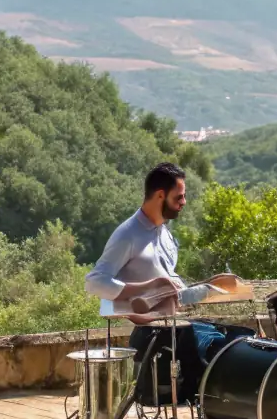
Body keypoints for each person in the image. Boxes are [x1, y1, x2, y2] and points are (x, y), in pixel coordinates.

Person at [86, 162, 245, 396]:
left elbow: (174, 293)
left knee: (240, 339)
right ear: (160, 195)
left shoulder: (166, 234)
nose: (184, 202)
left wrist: (212, 286)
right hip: (153, 335)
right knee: (223, 352)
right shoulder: (127, 234)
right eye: (179, 197)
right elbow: (94, 281)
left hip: (174, 327)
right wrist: (144, 288)